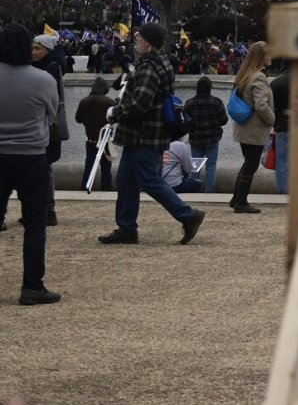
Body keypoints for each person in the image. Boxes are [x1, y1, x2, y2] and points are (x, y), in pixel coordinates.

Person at [98, 24, 205, 246]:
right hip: (149, 133)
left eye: (139, 38)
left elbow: (140, 104)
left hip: (143, 135)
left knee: (148, 180)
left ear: (148, 41)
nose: (137, 41)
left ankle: (187, 214)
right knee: (126, 181)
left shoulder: (148, 68)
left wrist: (115, 111)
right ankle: (127, 227)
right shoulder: (159, 63)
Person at [0, 24, 62, 304]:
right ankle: (32, 286)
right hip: (31, 156)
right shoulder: (43, 79)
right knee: (35, 224)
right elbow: (51, 115)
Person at [229, 40, 274, 214]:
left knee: (248, 162)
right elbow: (261, 105)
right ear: (261, 57)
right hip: (254, 129)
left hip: (243, 128)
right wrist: (271, 120)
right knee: (251, 164)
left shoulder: (245, 75)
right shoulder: (259, 77)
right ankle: (241, 202)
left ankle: (237, 198)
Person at [31, 34, 68, 226]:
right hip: (43, 125)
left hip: (45, 126)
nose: (34, 53)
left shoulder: (51, 68)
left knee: (44, 168)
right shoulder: (50, 66)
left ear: (48, 49)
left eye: (38, 48)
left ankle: (47, 210)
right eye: (32, 48)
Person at [184, 76, 228, 193]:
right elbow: (224, 120)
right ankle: (210, 192)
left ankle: (193, 190)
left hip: (195, 139)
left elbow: (186, 123)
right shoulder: (217, 102)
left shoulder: (189, 103)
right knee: (211, 167)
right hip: (212, 139)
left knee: (195, 166)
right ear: (210, 88)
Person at [75, 76, 114, 191]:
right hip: (105, 139)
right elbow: (114, 118)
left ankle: (85, 186)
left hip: (90, 139)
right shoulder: (109, 102)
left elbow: (78, 119)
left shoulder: (84, 101)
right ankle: (106, 188)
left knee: (89, 166)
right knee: (106, 168)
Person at [269, 61, 291, 195]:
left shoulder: (277, 83)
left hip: (282, 126)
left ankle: (284, 190)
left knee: (282, 160)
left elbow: (270, 106)